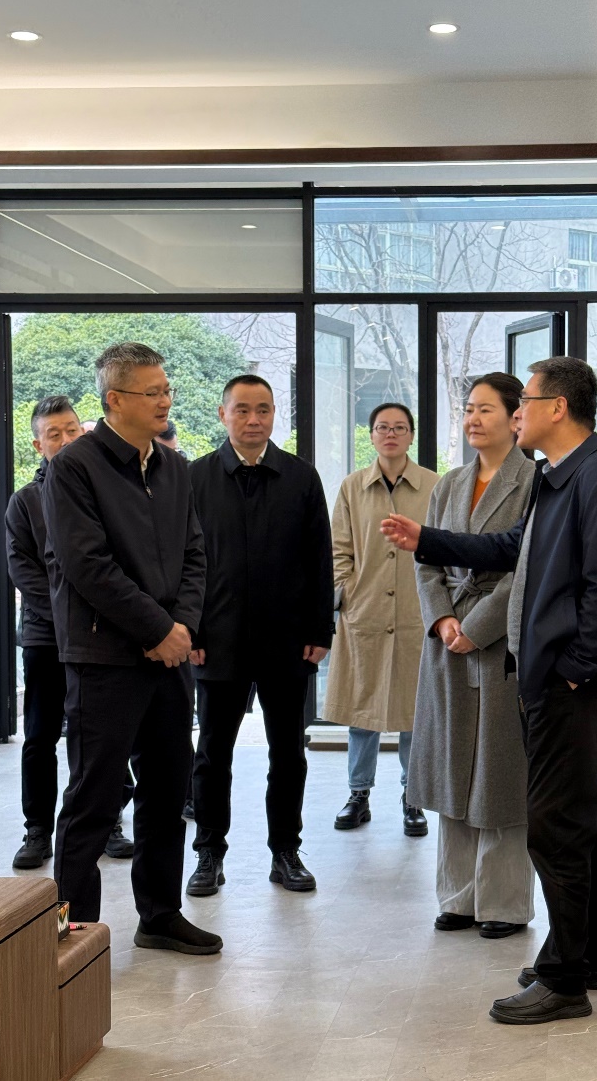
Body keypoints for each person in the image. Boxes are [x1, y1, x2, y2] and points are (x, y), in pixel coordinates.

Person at [383, 357, 597, 1025]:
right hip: (548, 676)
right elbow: (507, 548)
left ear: (558, 408)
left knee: (555, 828)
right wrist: (427, 538)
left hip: (568, 681)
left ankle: (564, 979)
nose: (517, 411)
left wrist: (576, 664)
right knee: (583, 820)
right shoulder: (558, 476)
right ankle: (594, 955)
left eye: (525, 400)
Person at [42, 342, 219, 956]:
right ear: (114, 400)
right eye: (153, 392)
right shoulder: (74, 467)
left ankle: (160, 914)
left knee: (168, 792)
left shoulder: (173, 467)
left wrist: (182, 627)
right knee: (94, 797)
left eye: (167, 390)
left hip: (169, 656)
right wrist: (156, 631)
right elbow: (86, 565)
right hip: (105, 657)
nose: (166, 401)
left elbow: (194, 553)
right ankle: (70, 934)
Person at [186, 375, 333, 897]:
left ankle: (285, 851)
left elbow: (319, 558)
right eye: (243, 409)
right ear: (222, 414)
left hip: (287, 639)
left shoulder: (300, 477)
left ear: (274, 415)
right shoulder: (195, 478)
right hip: (215, 637)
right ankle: (208, 853)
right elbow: (182, 562)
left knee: (288, 753)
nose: (254, 419)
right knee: (212, 754)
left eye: (264, 409)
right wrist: (189, 628)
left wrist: (320, 628)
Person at [410, 374, 536, 938]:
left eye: (485, 409)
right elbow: (426, 560)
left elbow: (526, 568)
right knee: (451, 771)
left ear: (515, 416)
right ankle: (457, 897)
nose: (473, 419)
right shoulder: (450, 483)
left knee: (499, 777)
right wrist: (442, 619)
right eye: (468, 409)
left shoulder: (534, 482)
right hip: (447, 645)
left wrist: (478, 627)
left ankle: (504, 903)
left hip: (500, 643)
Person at [7, 396, 134, 869]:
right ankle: (37, 830)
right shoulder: (25, 502)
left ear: (85, 432)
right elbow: (24, 572)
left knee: (99, 737)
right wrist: (68, 617)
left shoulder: (106, 493)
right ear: (38, 444)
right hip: (46, 637)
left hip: (100, 635)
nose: (64, 441)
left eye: (71, 431)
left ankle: (107, 822)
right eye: (53, 434)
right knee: (41, 737)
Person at [323, 402, 440, 835]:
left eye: (399, 427)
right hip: (365, 611)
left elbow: (444, 545)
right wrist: (348, 592)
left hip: (416, 611)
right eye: (382, 427)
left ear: (411, 436)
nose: (390, 434)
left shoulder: (434, 485)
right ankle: (358, 794)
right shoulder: (352, 487)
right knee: (362, 709)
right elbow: (338, 548)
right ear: (371, 435)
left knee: (416, 710)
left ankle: (414, 797)